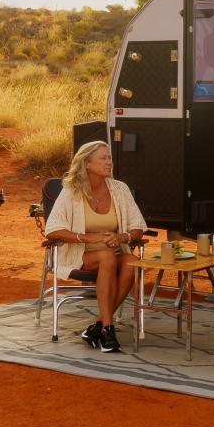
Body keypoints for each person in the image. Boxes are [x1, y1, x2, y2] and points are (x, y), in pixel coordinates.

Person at [43, 140, 147, 353]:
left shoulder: (120, 189)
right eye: (103, 158)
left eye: (109, 157)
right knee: (106, 257)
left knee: (132, 262)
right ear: (87, 164)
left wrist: (122, 237)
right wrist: (86, 238)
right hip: (80, 255)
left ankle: (98, 326)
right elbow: (53, 229)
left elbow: (138, 227)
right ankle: (109, 328)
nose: (109, 162)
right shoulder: (71, 191)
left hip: (113, 251)